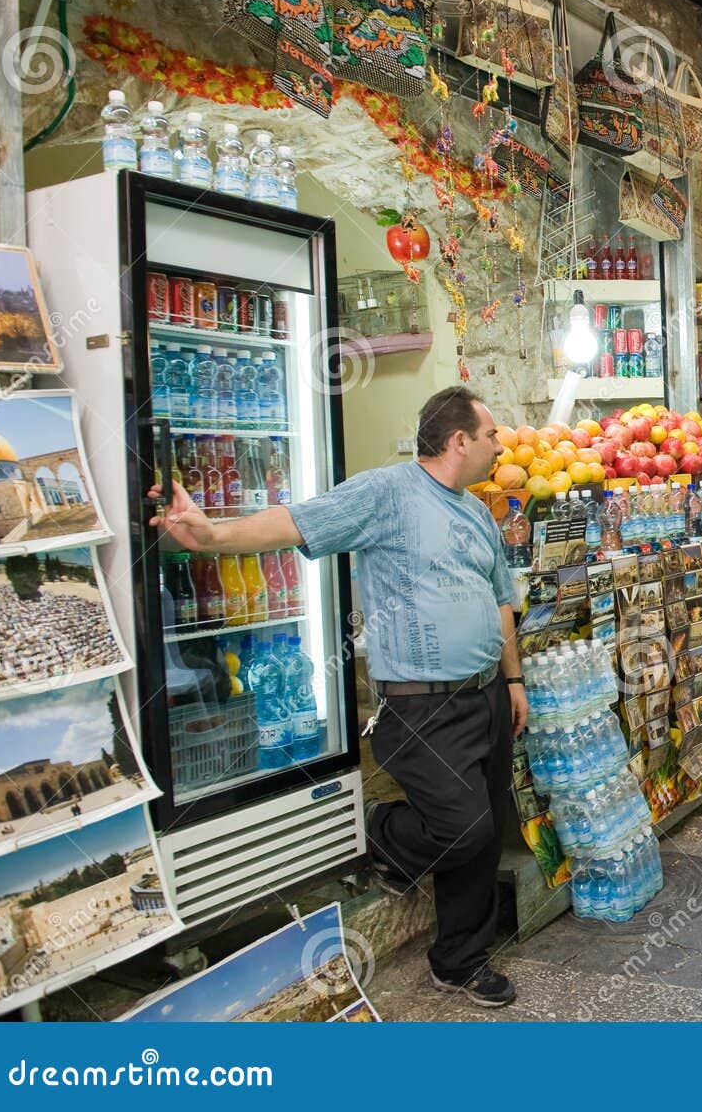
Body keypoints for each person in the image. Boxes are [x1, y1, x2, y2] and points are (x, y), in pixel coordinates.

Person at [151, 386, 526, 1009]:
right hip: (422, 704)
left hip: (485, 693)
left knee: (484, 839)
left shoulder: (479, 513)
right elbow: (301, 520)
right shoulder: (388, 493)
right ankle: (377, 830)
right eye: (491, 435)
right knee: (463, 829)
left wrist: (513, 681)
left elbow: (500, 600)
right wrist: (213, 535)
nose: (499, 445)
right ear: (459, 440)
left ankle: (460, 961)